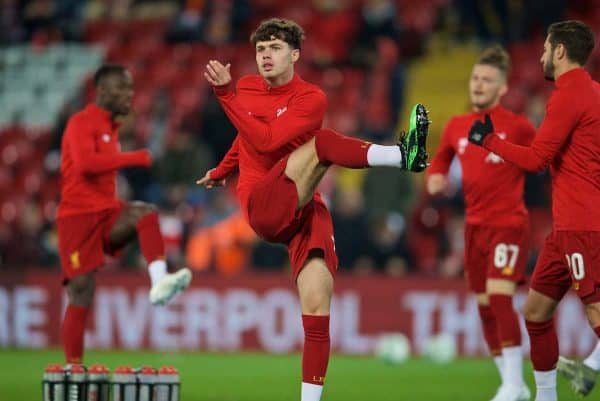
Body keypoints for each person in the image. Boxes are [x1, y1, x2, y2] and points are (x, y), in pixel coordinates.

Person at [197, 18, 428, 401]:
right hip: (262, 205)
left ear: (295, 54)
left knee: (318, 304)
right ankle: (404, 155)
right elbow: (250, 138)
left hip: (305, 206)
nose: (265, 55)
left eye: (274, 48)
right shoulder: (246, 88)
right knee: (321, 143)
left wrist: (225, 98)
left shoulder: (311, 99)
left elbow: (267, 139)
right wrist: (223, 169)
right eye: (260, 49)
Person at [467, 20, 600, 401]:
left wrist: (489, 140)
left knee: (595, 316)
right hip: (566, 230)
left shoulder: (569, 94)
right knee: (536, 311)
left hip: (582, 226)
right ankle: (545, 397)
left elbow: (537, 159)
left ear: (560, 51)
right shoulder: (592, 92)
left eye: (545, 48)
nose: (540, 55)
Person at [57, 64, 192, 364]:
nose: (129, 94)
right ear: (102, 91)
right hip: (78, 217)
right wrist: (135, 156)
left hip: (106, 211)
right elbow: (85, 165)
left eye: (131, 88)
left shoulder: (109, 128)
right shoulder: (81, 122)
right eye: (122, 88)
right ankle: (73, 369)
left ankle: (159, 281)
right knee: (81, 291)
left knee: (146, 213)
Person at [427, 45, 535, 401]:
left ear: (502, 88)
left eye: (487, 80)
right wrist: (436, 178)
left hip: (508, 224)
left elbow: (543, 159)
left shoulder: (517, 127)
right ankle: (511, 383)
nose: (478, 84)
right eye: (475, 78)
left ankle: (513, 384)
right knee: (485, 306)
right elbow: (439, 161)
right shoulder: (457, 126)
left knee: (501, 300)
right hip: (473, 228)